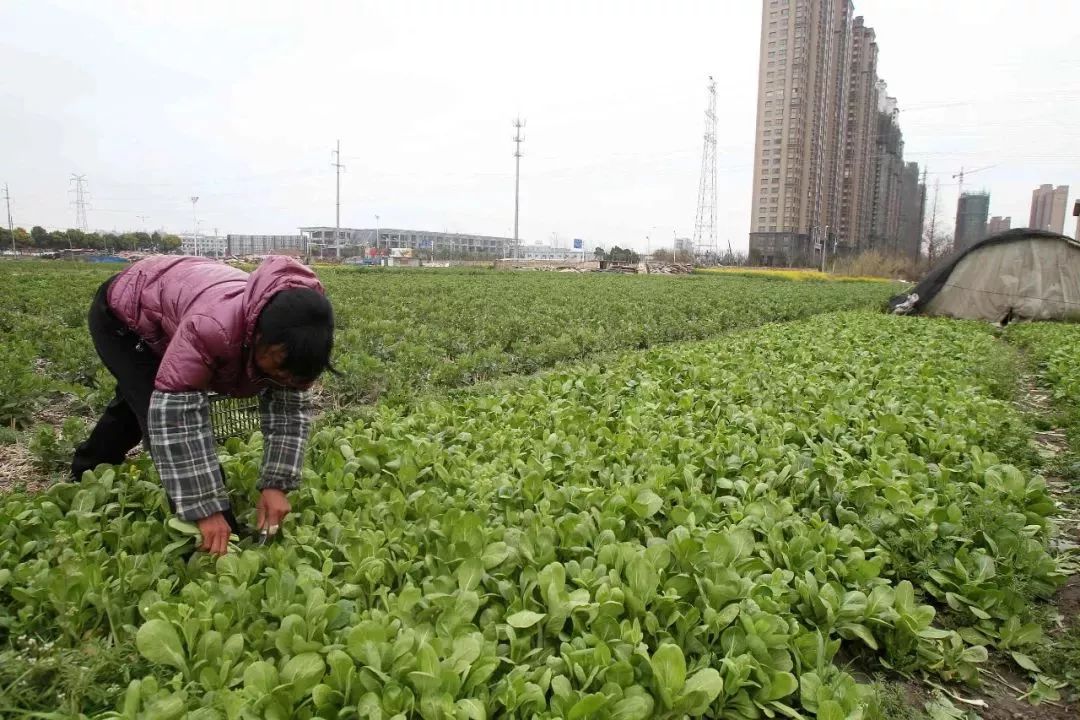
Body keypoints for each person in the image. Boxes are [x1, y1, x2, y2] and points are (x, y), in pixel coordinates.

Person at [71, 255, 335, 555]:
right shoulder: (213, 327)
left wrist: (277, 483)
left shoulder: (300, 343)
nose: (282, 376)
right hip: (125, 314)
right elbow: (177, 421)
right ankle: (213, 537)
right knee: (151, 407)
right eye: (277, 365)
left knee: (134, 400)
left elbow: (288, 413)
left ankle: (86, 469)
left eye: (291, 373)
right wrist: (206, 507)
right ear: (257, 334)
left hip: (176, 302)